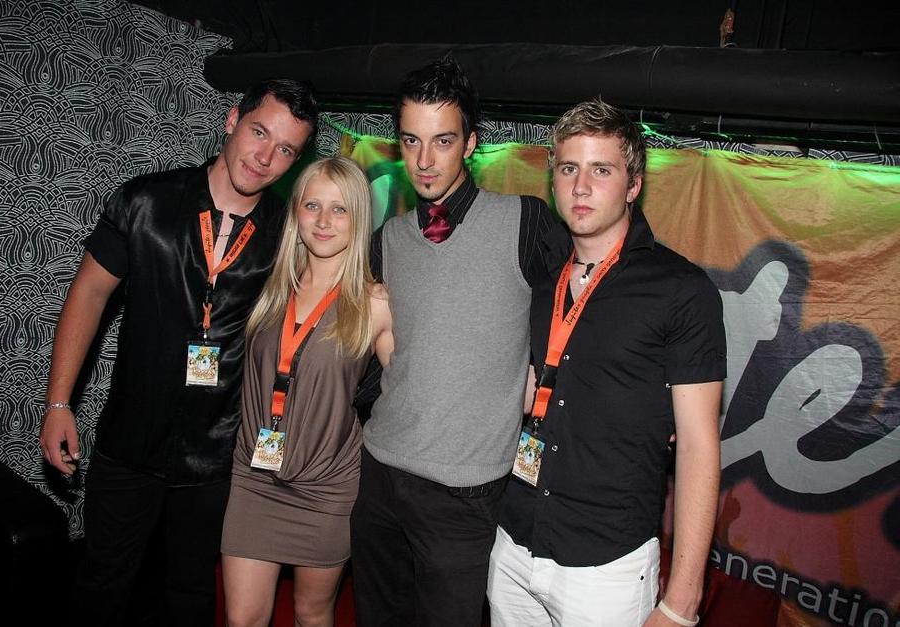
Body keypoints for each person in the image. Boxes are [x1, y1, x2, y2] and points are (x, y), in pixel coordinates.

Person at [38, 79, 318, 626]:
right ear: (232, 120)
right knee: (102, 582)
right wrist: (58, 403)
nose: (265, 157)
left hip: (218, 454)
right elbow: (88, 295)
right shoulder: (145, 200)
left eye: (286, 149)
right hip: (128, 440)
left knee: (191, 592)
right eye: (259, 133)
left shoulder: (289, 236)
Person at [487, 98, 726, 626]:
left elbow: (698, 444)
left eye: (601, 170)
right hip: (514, 540)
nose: (580, 187)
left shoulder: (682, 291)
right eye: (568, 168)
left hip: (606, 566)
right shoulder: (540, 277)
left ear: (633, 184)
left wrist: (684, 598)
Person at [350, 54, 556, 626]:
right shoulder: (388, 238)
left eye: (442, 141)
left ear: (470, 143)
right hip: (380, 471)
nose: (424, 160)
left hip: (466, 490)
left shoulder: (525, 221)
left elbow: (584, 307)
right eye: (411, 141)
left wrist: (544, 383)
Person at [220, 156, 393, 627]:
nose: (323, 221)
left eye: (339, 209)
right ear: (296, 211)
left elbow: (410, 391)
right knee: (242, 618)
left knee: (311, 614)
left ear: (359, 219)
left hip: (326, 487)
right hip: (254, 475)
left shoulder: (374, 302)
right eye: (312, 205)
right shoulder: (268, 287)